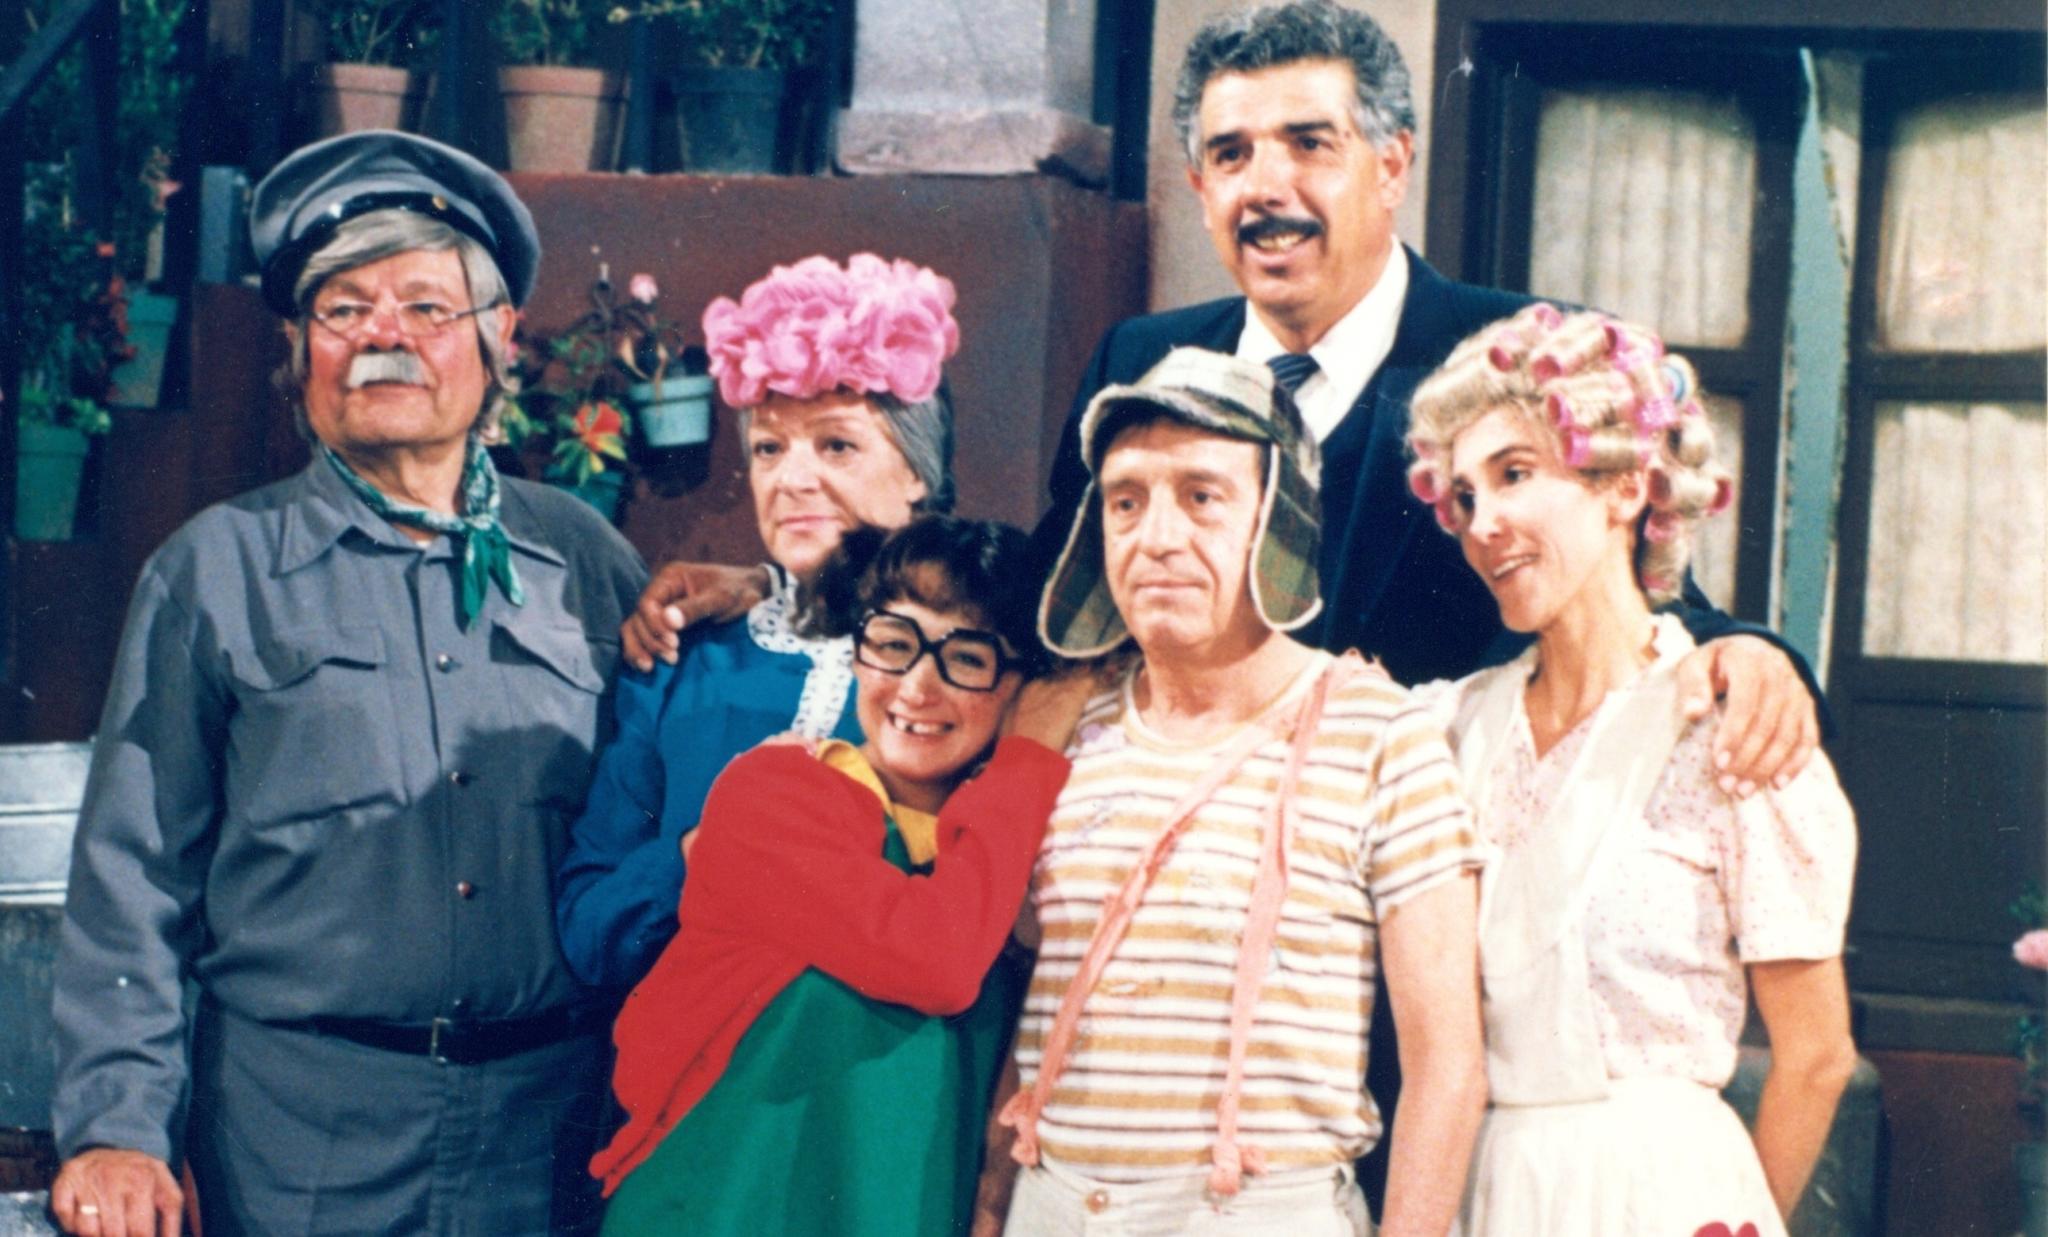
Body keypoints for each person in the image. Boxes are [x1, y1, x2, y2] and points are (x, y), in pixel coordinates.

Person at [617, 0, 1821, 803]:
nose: (1266, 187)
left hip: (1416, 902)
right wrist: (789, 583)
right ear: (1197, 184)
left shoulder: (1501, 357)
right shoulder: (1141, 357)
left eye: (1308, 143)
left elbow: (1629, 589)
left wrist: (1750, 656)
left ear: (1390, 162)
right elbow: (1034, 601)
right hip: (1173, 880)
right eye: (1232, 154)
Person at [47, 131, 647, 1236]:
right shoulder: (214, 571)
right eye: (343, 309)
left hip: (551, 1138)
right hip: (296, 1143)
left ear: (498, 337)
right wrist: (119, 1127)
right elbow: (134, 879)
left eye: (426, 306)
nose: (383, 335)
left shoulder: (587, 561)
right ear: (297, 348)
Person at [990, 347, 1486, 1235]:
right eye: (1126, 500)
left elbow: (1447, 1067)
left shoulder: (1382, 733)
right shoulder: (1066, 726)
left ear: (1277, 518)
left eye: (1201, 496)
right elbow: (1024, 1002)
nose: (1157, 537)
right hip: (1051, 1203)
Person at [1404, 305, 1857, 1235]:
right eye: (1465, 496)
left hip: (1667, 1193)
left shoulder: (1733, 725)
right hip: (1491, 1185)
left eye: (1515, 474)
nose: (1484, 522)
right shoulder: (1448, 729)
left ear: (1625, 486)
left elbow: (1817, 1055)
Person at [590, 516, 1091, 1235]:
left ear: (1021, 688)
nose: (916, 687)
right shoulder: (774, 793)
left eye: (967, 657)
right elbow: (934, 958)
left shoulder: (1006, 847)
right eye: (892, 643)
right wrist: (1029, 754)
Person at [554, 253, 961, 990]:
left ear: (917, 472)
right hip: (685, 1052)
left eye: (837, 444)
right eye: (769, 448)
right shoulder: (682, 659)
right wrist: (701, 851)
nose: (792, 479)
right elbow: (591, 929)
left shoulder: (974, 663)